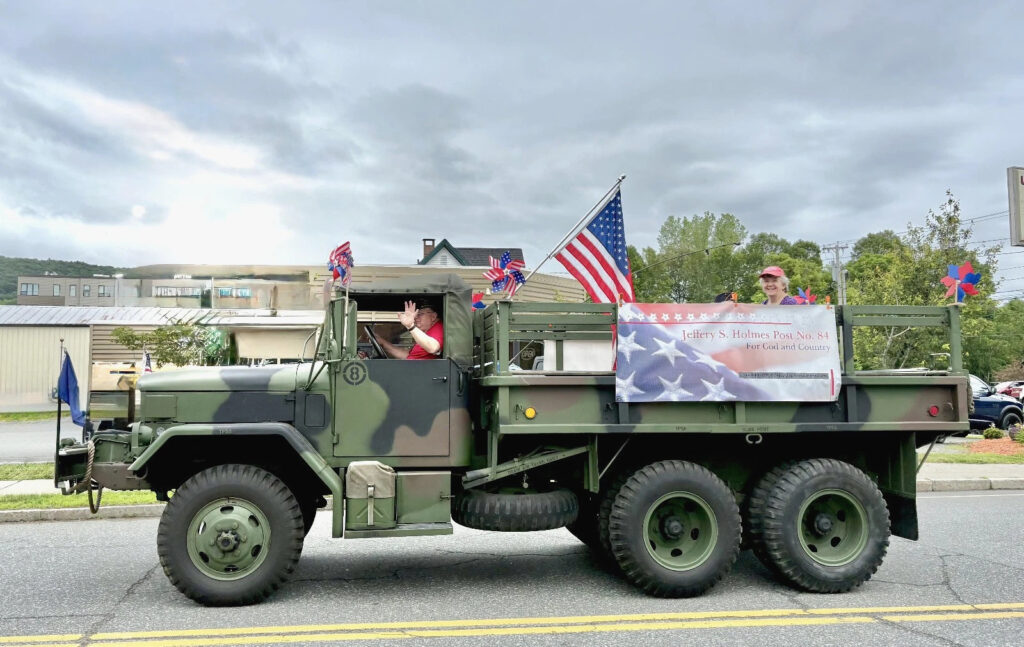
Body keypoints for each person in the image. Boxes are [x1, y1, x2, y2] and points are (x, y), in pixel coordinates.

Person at [377, 300, 444, 359]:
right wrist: (383, 343)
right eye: (416, 315)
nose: (415, 318)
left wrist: (410, 326)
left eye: (420, 314)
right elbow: (408, 356)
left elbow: (433, 348)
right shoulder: (428, 332)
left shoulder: (438, 328)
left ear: (433, 316)